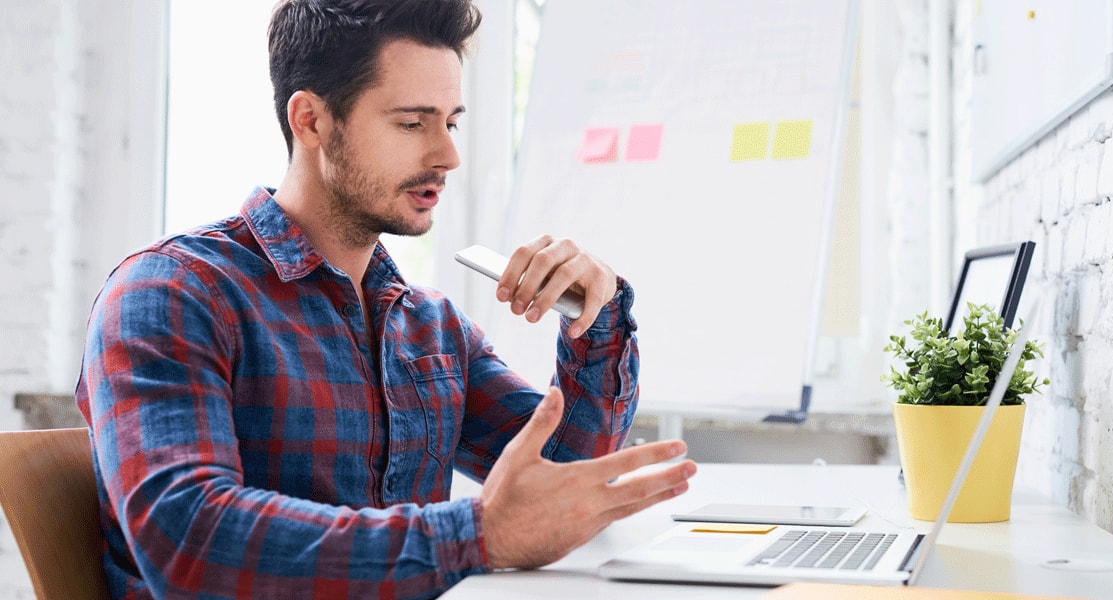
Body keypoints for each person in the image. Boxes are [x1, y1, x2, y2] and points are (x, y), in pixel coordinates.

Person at [74, 1, 696, 598]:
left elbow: (566, 479)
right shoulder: (171, 294)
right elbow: (189, 545)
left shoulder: (428, 326)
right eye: (411, 122)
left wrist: (598, 315)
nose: (447, 155)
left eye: (450, 122)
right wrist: (475, 536)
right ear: (311, 120)